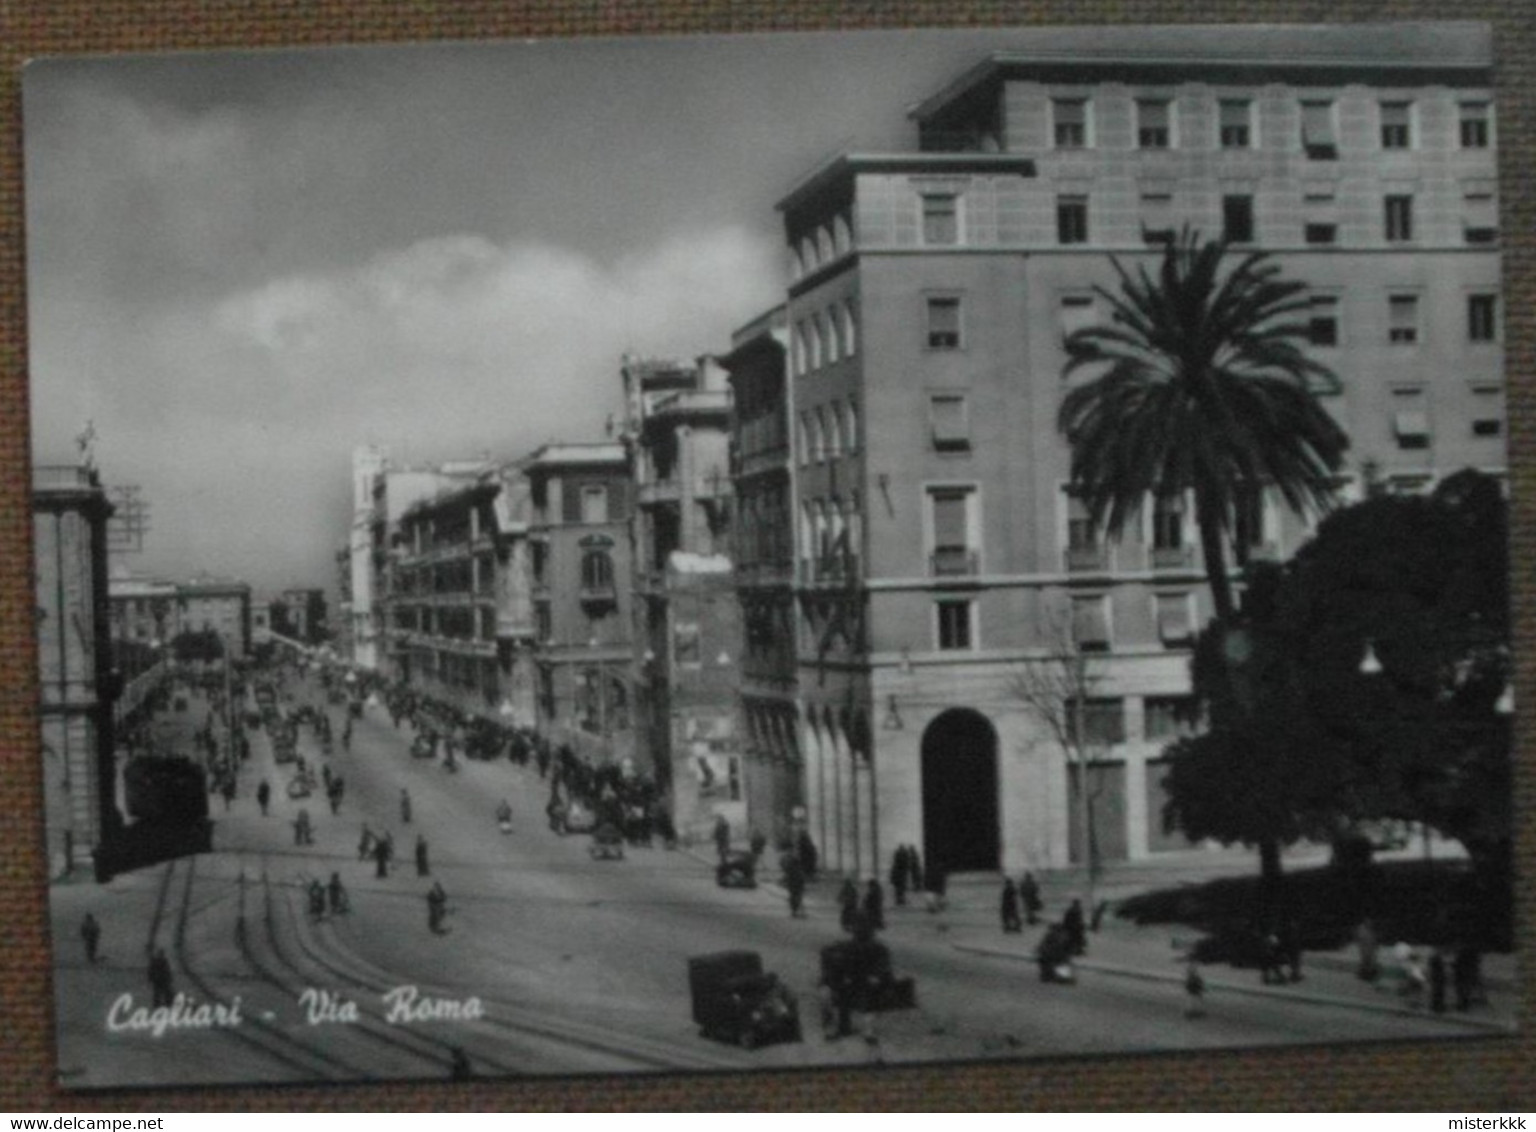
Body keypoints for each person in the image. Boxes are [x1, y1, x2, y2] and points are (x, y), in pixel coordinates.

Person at [1354, 918, 1380, 982]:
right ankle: (1363, 975)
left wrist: (1375, 946)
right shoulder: (1362, 929)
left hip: (1369, 947)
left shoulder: (1370, 930)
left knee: (1368, 961)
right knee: (1365, 961)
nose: (1370, 923)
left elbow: (1373, 939)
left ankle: (1365, 975)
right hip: (1365, 947)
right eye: (1368, 922)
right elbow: (1361, 938)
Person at [783, 851, 806, 918]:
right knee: (797, 898)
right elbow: (801, 878)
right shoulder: (798, 869)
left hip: (793, 886)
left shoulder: (792, 869)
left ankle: (795, 911)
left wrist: (786, 883)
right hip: (796, 886)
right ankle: (797, 911)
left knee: (794, 898)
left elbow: (788, 877)